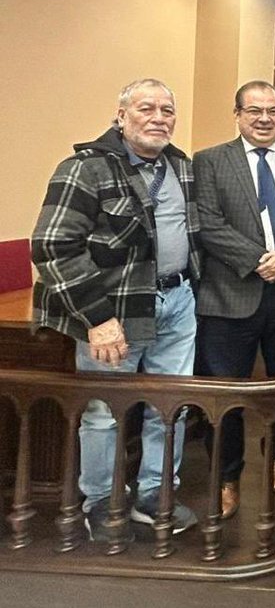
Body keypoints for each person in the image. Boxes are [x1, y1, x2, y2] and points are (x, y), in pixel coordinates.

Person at [31, 78, 201, 541]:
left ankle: (154, 494)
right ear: (121, 115)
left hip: (177, 302)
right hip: (113, 313)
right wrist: (98, 319)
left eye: (167, 110)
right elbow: (52, 245)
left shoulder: (181, 167)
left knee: (170, 408)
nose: (159, 118)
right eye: (147, 108)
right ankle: (102, 501)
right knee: (104, 413)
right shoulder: (84, 169)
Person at [193, 80, 275, 518]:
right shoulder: (210, 161)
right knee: (224, 394)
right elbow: (207, 223)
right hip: (230, 294)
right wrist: (257, 260)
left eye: (273, 110)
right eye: (254, 110)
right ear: (237, 115)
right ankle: (225, 476)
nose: (264, 119)